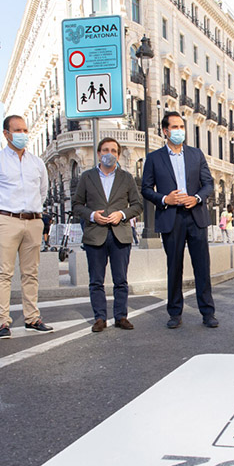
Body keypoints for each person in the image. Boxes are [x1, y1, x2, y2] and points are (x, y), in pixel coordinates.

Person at [141, 111, 218, 329]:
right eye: (175, 127)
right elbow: (146, 189)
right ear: (165, 131)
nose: (179, 131)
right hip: (170, 217)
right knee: (174, 267)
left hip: (195, 216)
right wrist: (165, 199)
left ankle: (208, 313)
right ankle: (175, 313)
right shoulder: (154, 158)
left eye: (182, 127)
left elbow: (208, 184)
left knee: (202, 266)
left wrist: (196, 198)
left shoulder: (196, 155)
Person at [0, 114, 53, 338]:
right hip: (6, 219)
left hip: (33, 221)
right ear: (6, 134)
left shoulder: (37, 162)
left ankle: (32, 318)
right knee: (4, 272)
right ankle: (3, 322)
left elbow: (43, 191)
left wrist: (35, 214)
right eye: (17, 130)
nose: (23, 134)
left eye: (25, 130)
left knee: (31, 273)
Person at [72, 137, 143, 333]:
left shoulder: (127, 178)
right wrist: (93, 215)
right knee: (96, 280)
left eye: (113, 150)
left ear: (118, 155)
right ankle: (100, 318)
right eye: (105, 150)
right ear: (98, 154)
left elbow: (137, 205)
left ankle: (121, 316)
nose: (109, 154)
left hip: (120, 234)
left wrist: (121, 214)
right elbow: (77, 205)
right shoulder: (87, 177)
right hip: (95, 235)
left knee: (121, 280)